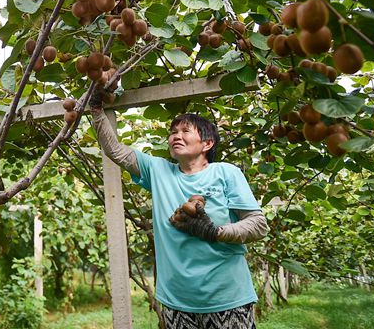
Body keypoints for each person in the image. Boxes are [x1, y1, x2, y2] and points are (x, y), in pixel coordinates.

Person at [91, 89, 268, 329]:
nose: (176, 136)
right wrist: (96, 111)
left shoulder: (225, 172)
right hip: (177, 300)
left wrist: (215, 231)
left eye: (185, 131)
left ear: (207, 143)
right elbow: (115, 151)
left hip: (227, 297)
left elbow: (258, 225)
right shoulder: (159, 170)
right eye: (173, 132)